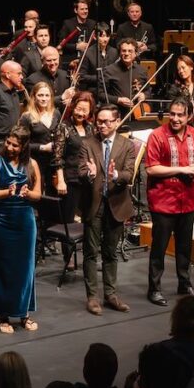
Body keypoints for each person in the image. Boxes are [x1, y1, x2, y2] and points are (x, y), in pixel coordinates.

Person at [0, 124, 42, 333]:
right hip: (2, 220)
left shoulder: (32, 164)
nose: (9, 147)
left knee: (25, 269)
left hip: (24, 221)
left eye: (15, 145)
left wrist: (27, 194)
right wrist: (7, 192)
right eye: (8, 142)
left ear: (24, 146)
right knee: (3, 268)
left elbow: (38, 195)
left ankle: (24, 313)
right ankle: (4, 315)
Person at [144, 97, 194, 305]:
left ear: (188, 116)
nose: (176, 119)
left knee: (184, 246)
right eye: (173, 114)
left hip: (187, 200)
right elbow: (151, 168)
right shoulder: (157, 136)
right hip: (163, 201)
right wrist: (182, 169)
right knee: (159, 248)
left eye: (180, 115)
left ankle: (184, 283)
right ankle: (154, 288)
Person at [79, 105, 136, 315]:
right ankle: (92, 297)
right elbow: (81, 171)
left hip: (116, 204)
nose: (102, 125)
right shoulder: (87, 144)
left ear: (117, 121)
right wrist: (91, 175)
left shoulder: (127, 145)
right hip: (94, 205)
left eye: (107, 121)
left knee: (111, 253)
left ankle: (110, 294)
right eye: (99, 121)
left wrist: (115, 176)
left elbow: (129, 174)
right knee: (90, 253)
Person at [52, 90, 95, 228]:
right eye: (78, 109)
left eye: (85, 110)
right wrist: (61, 181)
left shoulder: (90, 128)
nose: (81, 113)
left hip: (87, 179)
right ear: (72, 107)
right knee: (68, 220)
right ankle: (68, 250)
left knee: (88, 218)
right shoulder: (63, 127)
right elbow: (57, 156)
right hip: (70, 179)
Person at [18, 81, 61, 195]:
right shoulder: (26, 117)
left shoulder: (56, 113)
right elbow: (21, 144)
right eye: (40, 95)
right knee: (36, 194)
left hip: (53, 162)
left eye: (47, 95)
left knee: (53, 196)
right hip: (34, 161)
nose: (44, 99)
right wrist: (42, 147)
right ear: (34, 97)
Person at [102, 38, 148, 117]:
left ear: (136, 53)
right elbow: (100, 94)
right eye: (123, 51)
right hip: (116, 114)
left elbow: (148, 90)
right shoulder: (108, 71)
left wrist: (144, 95)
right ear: (119, 53)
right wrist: (118, 100)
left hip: (138, 114)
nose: (126, 53)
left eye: (130, 51)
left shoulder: (142, 70)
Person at [23, 46, 74, 110]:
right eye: (49, 60)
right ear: (42, 61)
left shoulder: (66, 75)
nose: (52, 63)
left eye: (55, 59)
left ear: (59, 59)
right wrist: (61, 98)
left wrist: (71, 100)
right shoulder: (32, 80)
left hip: (63, 117)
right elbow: (36, 103)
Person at [76, 23, 118, 92]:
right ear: (95, 37)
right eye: (102, 36)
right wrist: (99, 78)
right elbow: (81, 76)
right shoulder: (87, 53)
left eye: (107, 36)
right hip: (94, 89)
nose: (105, 39)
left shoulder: (114, 52)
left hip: (111, 89)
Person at [58, 0, 97, 65]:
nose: (85, 11)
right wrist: (77, 46)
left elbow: (96, 44)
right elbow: (61, 44)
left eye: (86, 9)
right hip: (71, 60)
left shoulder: (92, 23)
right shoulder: (68, 23)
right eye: (82, 9)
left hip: (87, 60)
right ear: (76, 10)